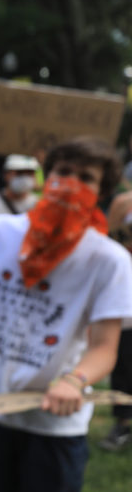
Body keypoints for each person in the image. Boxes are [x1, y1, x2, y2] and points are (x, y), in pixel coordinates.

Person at [0, 136, 132, 492]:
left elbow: (105, 347)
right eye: (64, 172)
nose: (71, 184)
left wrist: (74, 380)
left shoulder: (109, 261)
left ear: (102, 191)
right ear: (47, 175)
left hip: (52, 424)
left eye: (86, 178)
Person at [100, 190, 132, 451]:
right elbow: (109, 245)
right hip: (128, 294)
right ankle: (123, 422)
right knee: (123, 361)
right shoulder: (123, 203)